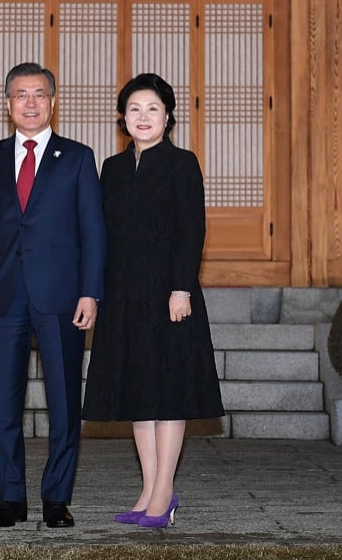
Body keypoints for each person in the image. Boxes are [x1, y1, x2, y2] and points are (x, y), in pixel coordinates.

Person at [0, 62, 107, 529]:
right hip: (3, 296)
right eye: (21, 95)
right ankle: (10, 500)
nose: (30, 103)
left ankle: (56, 499)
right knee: (4, 403)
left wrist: (91, 293)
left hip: (62, 296)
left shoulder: (79, 157)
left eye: (39, 94)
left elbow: (93, 232)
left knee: (65, 402)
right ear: (7, 104)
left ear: (52, 101)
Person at [81, 72, 223, 530]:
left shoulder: (183, 164)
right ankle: (148, 489)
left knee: (169, 392)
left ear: (168, 117)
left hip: (168, 296)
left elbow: (192, 231)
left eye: (153, 109)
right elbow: (102, 236)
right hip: (124, 295)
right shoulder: (112, 169)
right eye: (135, 109)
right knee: (138, 394)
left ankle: (165, 492)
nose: (143, 117)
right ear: (122, 117)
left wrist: (181, 288)